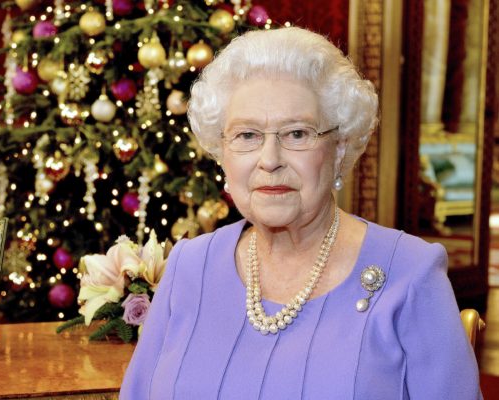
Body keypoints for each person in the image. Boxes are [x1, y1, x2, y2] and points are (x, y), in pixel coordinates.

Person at [120, 27, 481, 399]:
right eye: (247, 136)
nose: (270, 160)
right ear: (221, 153)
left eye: (297, 134)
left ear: (339, 149)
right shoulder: (187, 267)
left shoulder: (411, 275)